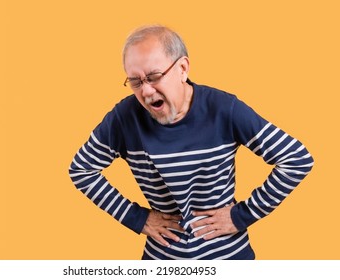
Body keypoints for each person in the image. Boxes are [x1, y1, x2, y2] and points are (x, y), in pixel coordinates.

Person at [69, 25, 314, 260]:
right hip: (163, 260)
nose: (145, 91)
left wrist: (242, 216)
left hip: (230, 259)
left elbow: (296, 160)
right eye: (135, 81)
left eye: (154, 77)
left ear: (183, 68)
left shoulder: (223, 108)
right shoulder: (124, 118)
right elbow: (81, 170)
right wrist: (138, 219)